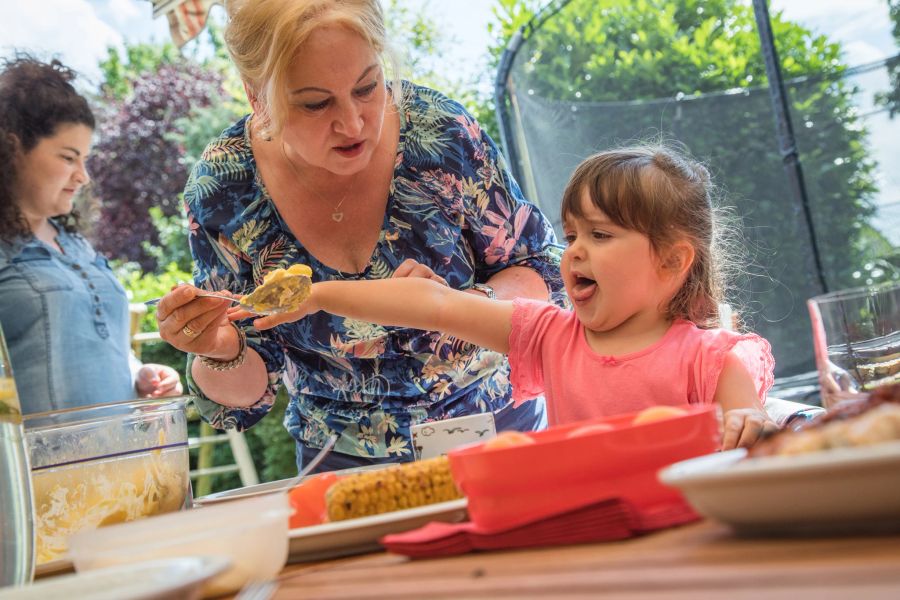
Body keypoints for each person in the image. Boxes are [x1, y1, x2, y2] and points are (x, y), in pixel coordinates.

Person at [154, 0, 564, 472]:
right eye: (315, 103)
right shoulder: (224, 187)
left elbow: (540, 271)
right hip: (340, 462)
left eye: (368, 87)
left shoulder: (440, 133)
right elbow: (243, 399)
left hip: (501, 429)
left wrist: (460, 305)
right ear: (256, 96)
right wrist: (218, 349)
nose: (351, 123)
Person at [246, 146, 779, 450]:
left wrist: (752, 427)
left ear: (672, 260)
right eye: (570, 236)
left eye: (600, 235)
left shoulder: (717, 360)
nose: (573, 254)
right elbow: (434, 305)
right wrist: (317, 295)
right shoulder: (550, 335)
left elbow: (753, 440)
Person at [0, 55, 183, 414]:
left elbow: (97, 349)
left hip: (116, 458)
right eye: (69, 158)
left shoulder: (77, 246)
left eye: (84, 158)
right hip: (37, 466)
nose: (84, 176)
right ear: (13, 149)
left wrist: (139, 374)